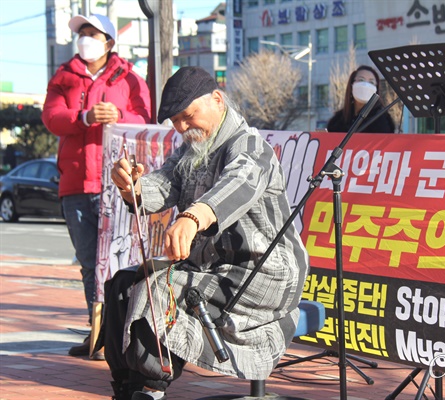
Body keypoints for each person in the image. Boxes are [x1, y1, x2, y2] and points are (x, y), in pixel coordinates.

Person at [103, 67, 309, 400]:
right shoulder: (191, 150)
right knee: (124, 285)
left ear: (216, 99)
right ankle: (127, 389)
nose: (182, 127)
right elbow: (163, 184)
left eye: (188, 116)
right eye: (175, 122)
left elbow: (237, 186)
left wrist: (192, 217)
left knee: (158, 293)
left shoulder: (251, 146)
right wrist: (133, 185)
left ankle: (151, 388)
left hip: (263, 273)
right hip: (213, 268)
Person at [42, 13, 151, 358]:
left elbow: (146, 118)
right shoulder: (63, 77)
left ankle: (126, 333)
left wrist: (118, 115)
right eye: (81, 33)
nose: (85, 39)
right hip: (75, 184)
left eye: (92, 33)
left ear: (108, 41)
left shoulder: (129, 77)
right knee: (90, 262)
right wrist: (83, 117)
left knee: (122, 261)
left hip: (118, 184)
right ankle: (98, 332)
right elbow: (51, 117)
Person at [327, 65, 395, 133]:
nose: (366, 85)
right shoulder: (337, 120)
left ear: (376, 89)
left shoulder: (381, 119)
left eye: (371, 82)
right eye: (361, 80)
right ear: (352, 84)